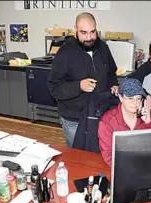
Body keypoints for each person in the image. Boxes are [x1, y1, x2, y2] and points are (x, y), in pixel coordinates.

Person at [47, 12, 119, 148]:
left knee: (99, 156)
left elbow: (111, 73)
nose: (89, 37)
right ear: (75, 29)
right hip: (74, 119)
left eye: (92, 32)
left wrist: (114, 84)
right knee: (77, 158)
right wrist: (79, 86)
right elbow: (54, 88)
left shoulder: (103, 47)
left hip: (100, 115)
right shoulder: (65, 52)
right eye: (84, 33)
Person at [98, 78, 151, 167]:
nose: (135, 103)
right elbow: (108, 156)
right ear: (121, 97)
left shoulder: (146, 117)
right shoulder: (107, 121)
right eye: (130, 98)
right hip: (119, 168)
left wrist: (148, 124)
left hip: (144, 166)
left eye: (138, 98)